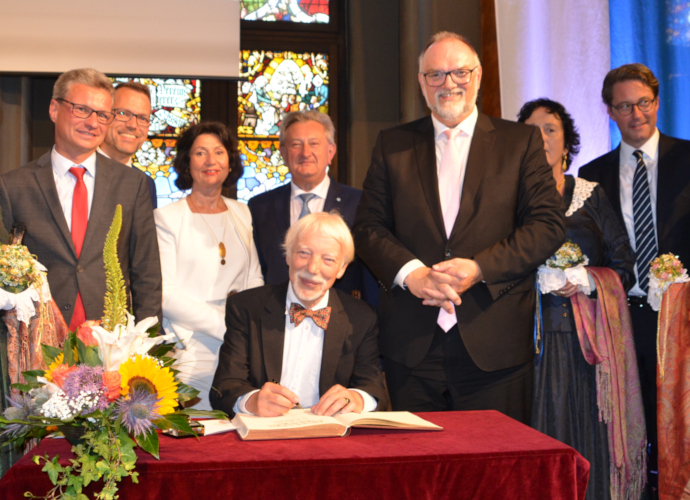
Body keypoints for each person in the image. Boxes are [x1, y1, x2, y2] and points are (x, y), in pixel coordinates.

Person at [353, 32, 564, 423]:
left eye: (459, 72)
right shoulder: (392, 144)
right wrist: (411, 274)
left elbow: (547, 224)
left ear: (478, 76)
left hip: (494, 344)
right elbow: (368, 228)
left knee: (496, 475)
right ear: (421, 83)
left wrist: (480, 267)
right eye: (436, 75)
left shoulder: (520, 142)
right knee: (416, 476)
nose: (448, 83)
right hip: (412, 345)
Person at [518, 98, 637, 500]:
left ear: (567, 143)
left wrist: (588, 277)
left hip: (593, 345)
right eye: (531, 131)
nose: (541, 137)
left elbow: (624, 264)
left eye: (550, 129)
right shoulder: (509, 202)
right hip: (531, 343)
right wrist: (537, 276)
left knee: (591, 435)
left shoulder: (592, 195)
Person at [579, 63, 690, 490]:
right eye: (624, 106)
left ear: (657, 103)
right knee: (630, 425)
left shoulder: (688, 159)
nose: (636, 113)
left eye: (643, 102)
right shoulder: (593, 176)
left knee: (679, 425)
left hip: (680, 318)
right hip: (621, 318)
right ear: (609, 112)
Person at [0, 68, 161, 331]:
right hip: (37, 340)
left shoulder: (133, 185)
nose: (93, 123)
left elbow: (147, 275)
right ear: (54, 109)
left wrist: (148, 344)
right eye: (81, 110)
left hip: (111, 342)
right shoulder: (13, 186)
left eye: (102, 115)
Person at [210, 211, 389, 417]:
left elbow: (374, 390)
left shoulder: (361, 318)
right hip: (263, 435)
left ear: (342, 269)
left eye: (328, 259)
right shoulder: (246, 307)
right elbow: (224, 387)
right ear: (287, 255)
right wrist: (251, 401)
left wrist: (356, 398)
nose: (312, 268)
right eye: (304, 253)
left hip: (329, 436)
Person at [155, 122, 263, 411]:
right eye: (200, 153)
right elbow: (165, 295)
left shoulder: (242, 212)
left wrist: (247, 328)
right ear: (187, 163)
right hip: (191, 344)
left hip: (240, 345)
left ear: (230, 163)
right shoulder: (167, 218)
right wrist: (226, 325)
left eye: (219, 152)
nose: (211, 160)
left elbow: (254, 278)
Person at [248, 110, 377, 305]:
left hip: (341, 321)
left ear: (330, 152)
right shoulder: (259, 207)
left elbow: (368, 274)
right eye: (296, 145)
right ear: (283, 153)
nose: (305, 153)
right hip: (273, 321)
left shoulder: (360, 203)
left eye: (314, 144)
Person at [98, 81, 158, 208]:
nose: (132, 125)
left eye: (142, 118)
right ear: (105, 115)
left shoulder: (147, 184)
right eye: (123, 113)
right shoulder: (79, 173)